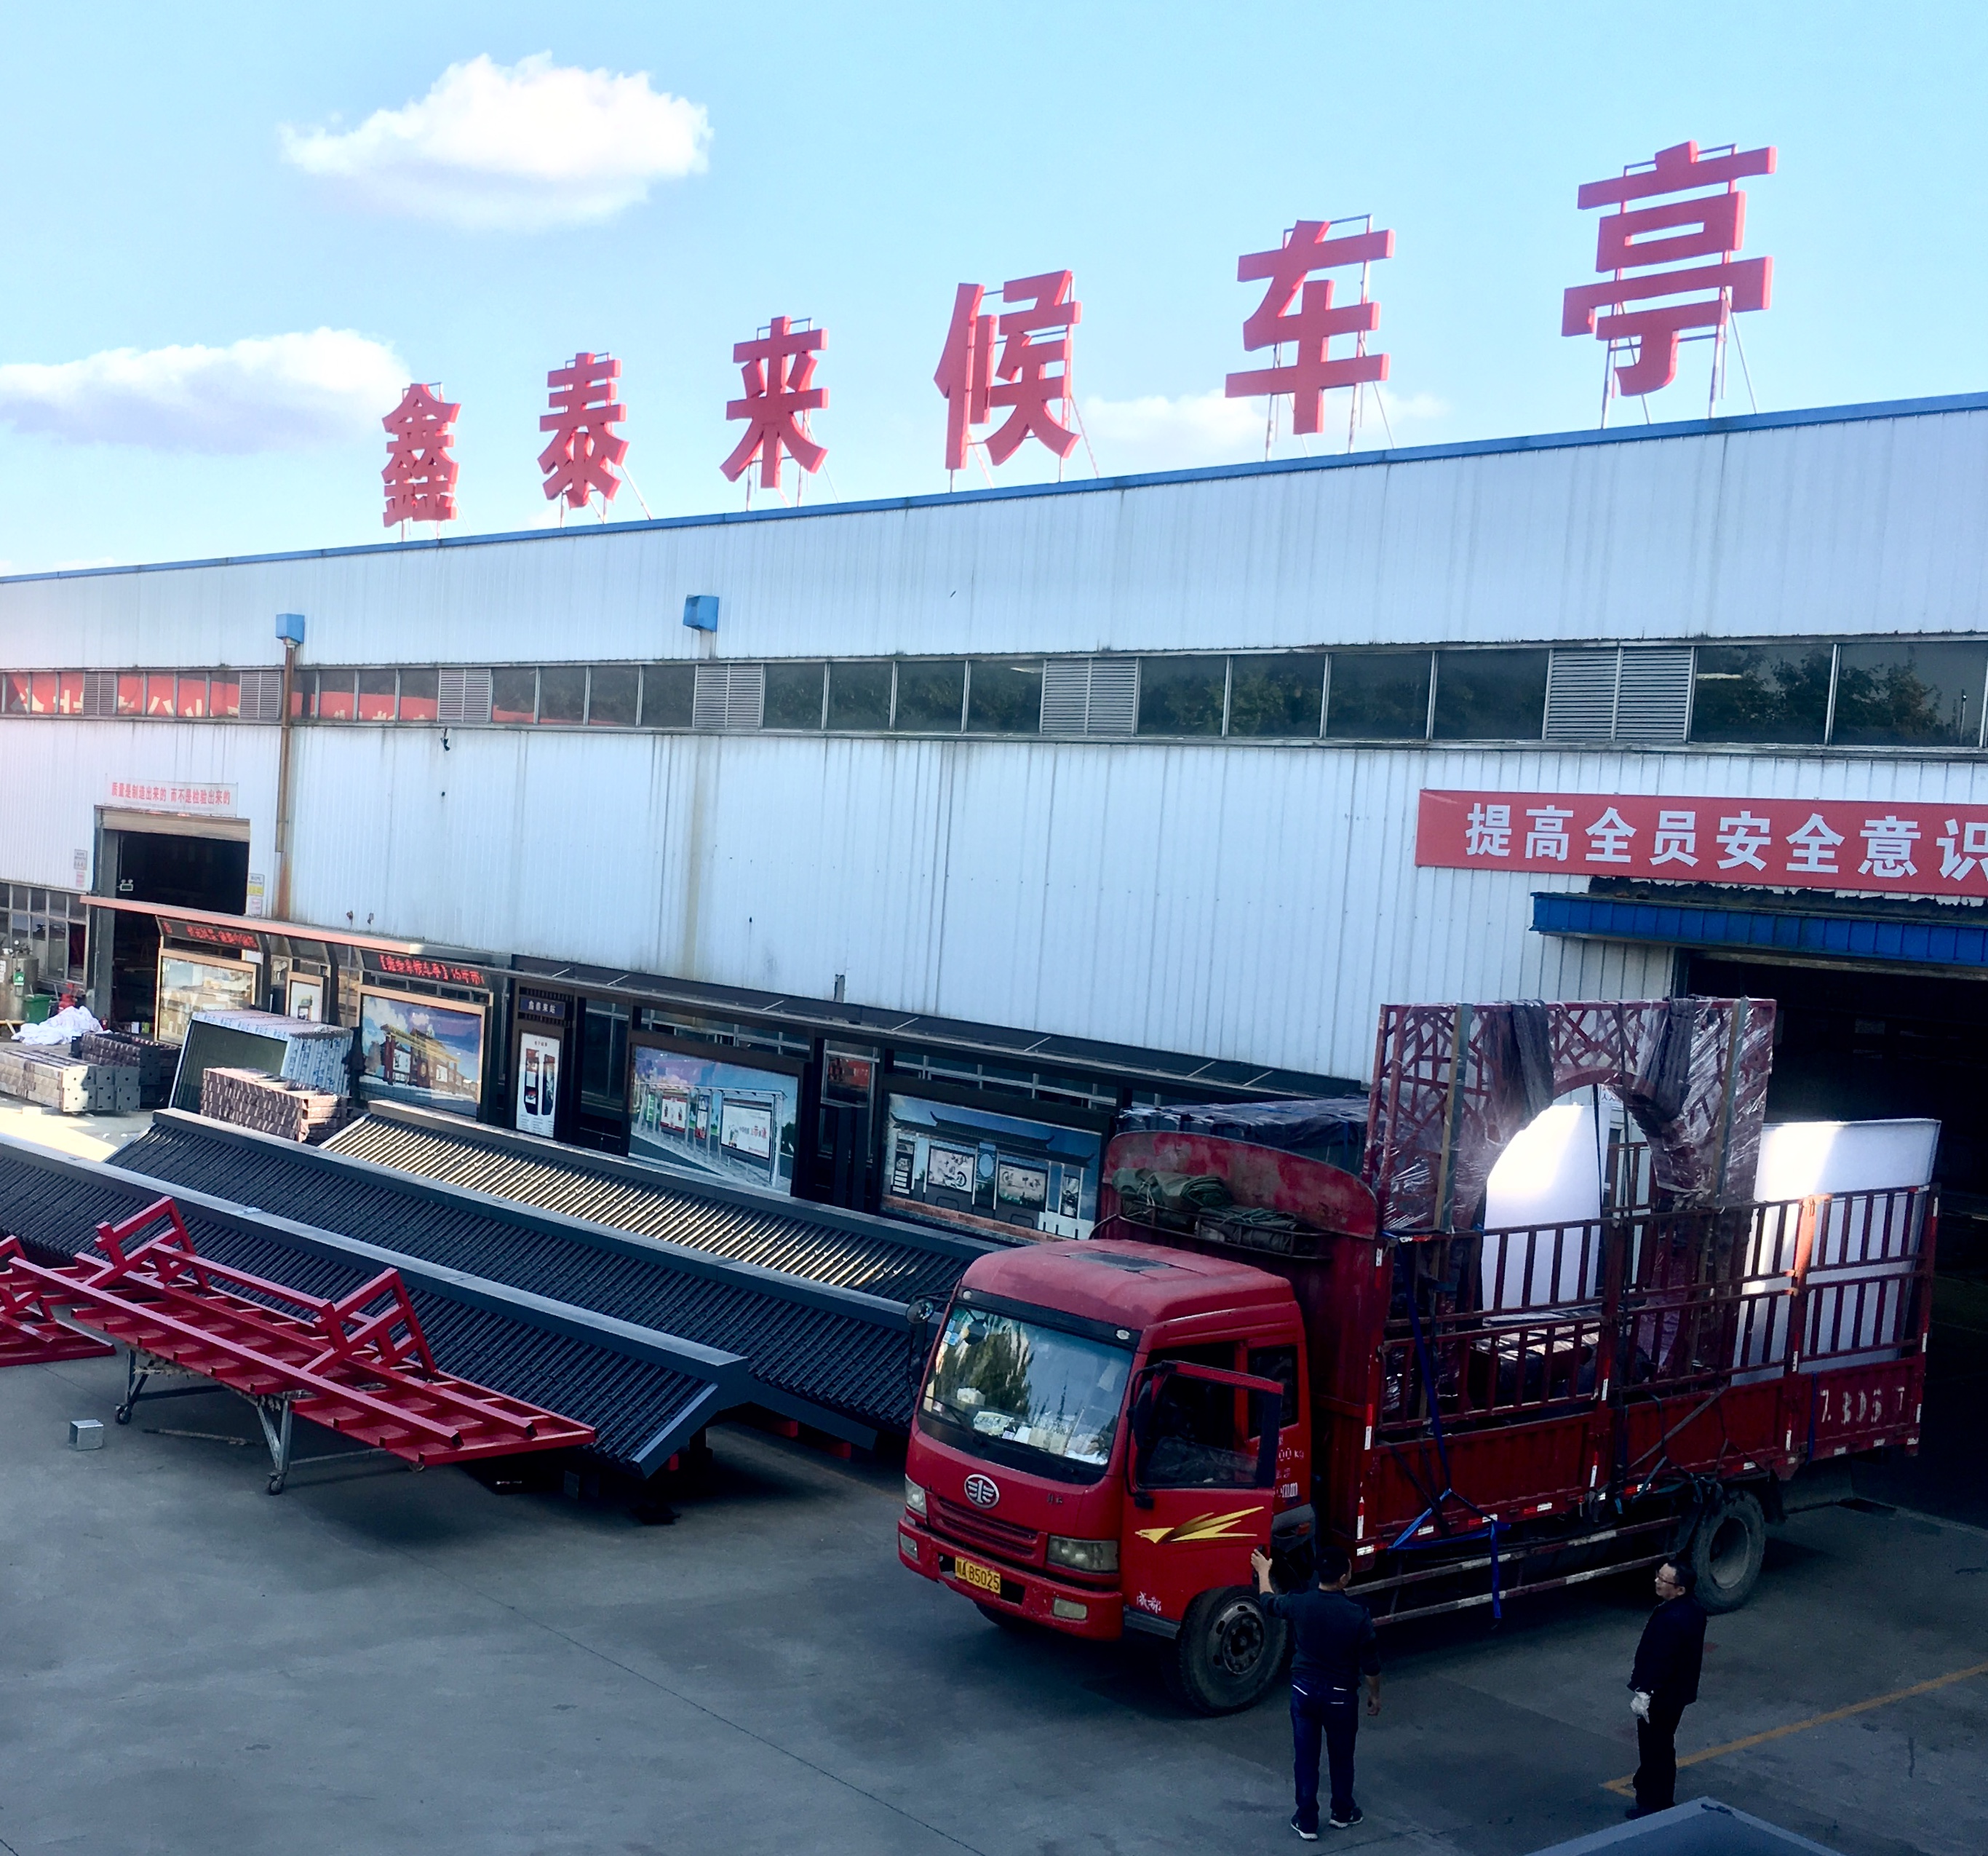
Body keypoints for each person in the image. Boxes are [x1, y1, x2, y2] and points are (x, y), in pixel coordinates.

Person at [1251, 1541, 1381, 1839]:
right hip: (1340, 1697)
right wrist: (1375, 1695)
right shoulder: (1357, 1615)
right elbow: (1371, 1665)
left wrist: (1264, 1572)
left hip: (1304, 1692)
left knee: (1306, 1758)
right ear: (1344, 1577)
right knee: (1342, 1756)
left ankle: (1306, 1819)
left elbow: (1269, 1603)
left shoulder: (1300, 1603)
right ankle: (1342, 1812)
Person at [1626, 1560, 1707, 1818]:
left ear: (1679, 1589)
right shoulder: (1693, 1610)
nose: (1657, 1582)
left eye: (1664, 1580)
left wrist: (1645, 1692)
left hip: (1662, 1696)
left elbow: (1661, 1659)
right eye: (1658, 1576)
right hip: (1677, 1693)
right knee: (1662, 1744)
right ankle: (1656, 1795)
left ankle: (1653, 1802)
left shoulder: (1671, 1620)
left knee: (1654, 1748)